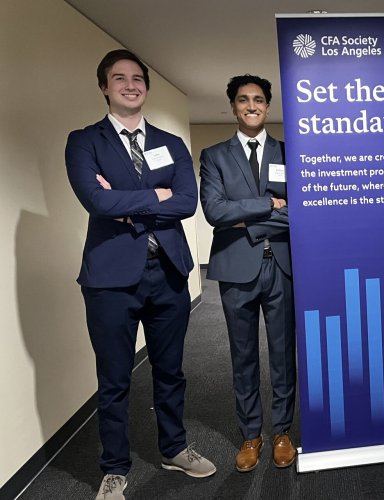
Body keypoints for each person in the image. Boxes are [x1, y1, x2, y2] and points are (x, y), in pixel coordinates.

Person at [65, 49, 216, 500]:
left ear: (146, 87)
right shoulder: (84, 141)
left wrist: (127, 202)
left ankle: (174, 448)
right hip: (111, 279)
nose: (130, 85)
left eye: (137, 79)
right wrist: (156, 195)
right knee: (114, 378)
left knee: (170, 371)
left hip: (168, 272)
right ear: (104, 87)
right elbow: (96, 201)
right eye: (119, 78)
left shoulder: (171, 143)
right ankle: (114, 468)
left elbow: (186, 202)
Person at [199, 75, 296, 472]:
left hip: (283, 267)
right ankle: (251, 434)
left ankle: (282, 432)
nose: (251, 106)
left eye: (258, 100)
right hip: (236, 269)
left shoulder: (292, 152)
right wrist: (270, 205)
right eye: (243, 100)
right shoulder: (214, 155)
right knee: (243, 356)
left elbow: (300, 213)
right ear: (233, 107)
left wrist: (251, 219)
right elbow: (215, 212)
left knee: (283, 355)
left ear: (268, 107)